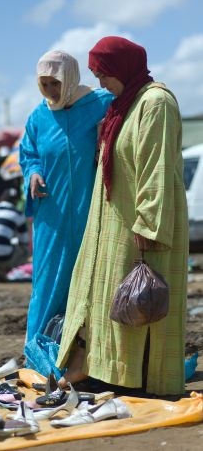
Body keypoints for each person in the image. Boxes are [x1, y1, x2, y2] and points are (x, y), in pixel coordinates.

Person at [56, 36, 189, 397]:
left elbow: (156, 167)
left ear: (123, 68)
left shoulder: (155, 102)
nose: (99, 83)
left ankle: (144, 380)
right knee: (110, 304)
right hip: (114, 225)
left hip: (141, 228)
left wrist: (148, 225)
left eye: (103, 74)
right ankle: (106, 372)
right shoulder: (123, 107)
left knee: (141, 304)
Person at [19, 49, 113, 346]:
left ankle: (87, 354)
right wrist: (33, 172)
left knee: (95, 282)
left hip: (93, 211)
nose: (50, 90)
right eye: (44, 84)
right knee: (47, 282)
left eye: (55, 83)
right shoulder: (39, 116)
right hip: (52, 215)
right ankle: (38, 348)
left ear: (70, 78)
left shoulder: (100, 103)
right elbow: (28, 152)